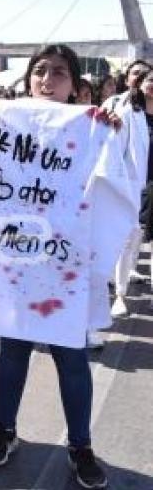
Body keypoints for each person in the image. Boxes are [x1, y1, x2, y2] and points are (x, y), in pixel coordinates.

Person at [0, 45, 111, 490]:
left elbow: (117, 180)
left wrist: (113, 134)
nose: (47, 79)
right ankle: (5, 429)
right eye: (39, 71)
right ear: (27, 79)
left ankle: (80, 445)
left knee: (70, 356)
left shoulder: (94, 129)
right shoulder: (4, 122)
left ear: (75, 85)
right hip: (18, 256)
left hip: (67, 264)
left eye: (58, 72)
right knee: (13, 348)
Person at [111, 66, 153, 319]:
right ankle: (120, 295)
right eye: (149, 79)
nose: (152, 83)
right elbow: (117, 151)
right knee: (129, 243)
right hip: (136, 187)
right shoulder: (129, 114)